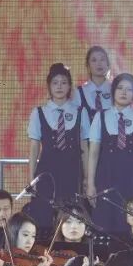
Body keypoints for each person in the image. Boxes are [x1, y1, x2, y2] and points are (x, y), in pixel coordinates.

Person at [86, 73, 133, 233]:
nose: (124, 92)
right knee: (105, 223)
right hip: (106, 178)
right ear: (113, 91)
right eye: (120, 88)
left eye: (129, 89)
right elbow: (93, 153)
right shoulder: (100, 116)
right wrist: (90, 184)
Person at [26, 63, 88, 231]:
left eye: (64, 82)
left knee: (71, 215)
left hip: (72, 173)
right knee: (43, 216)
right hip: (46, 172)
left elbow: (85, 148)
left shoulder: (80, 112)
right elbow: (34, 149)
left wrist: (87, 178)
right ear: (49, 86)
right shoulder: (38, 112)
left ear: (69, 86)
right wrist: (32, 179)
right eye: (55, 83)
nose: (59, 87)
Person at [76, 46, 113, 127]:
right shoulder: (78, 93)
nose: (99, 64)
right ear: (88, 66)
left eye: (102, 59)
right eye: (94, 60)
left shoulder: (115, 91)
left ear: (107, 64)